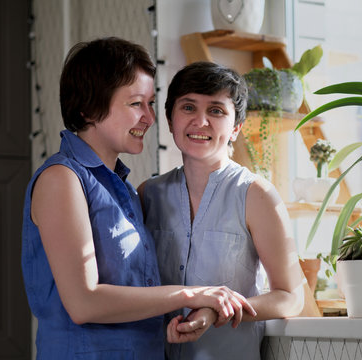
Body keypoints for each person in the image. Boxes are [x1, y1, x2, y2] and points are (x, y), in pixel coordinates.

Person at [21, 38, 256, 360]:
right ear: (89, 108)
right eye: (135, 104)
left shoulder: (128, 190)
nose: (149, 117)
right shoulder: (62, 179)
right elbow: (83, 303)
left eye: (150, 103)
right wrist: (192, 294)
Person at [139, 61, 305, 360]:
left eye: (216, 111)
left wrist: (215, 310)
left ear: (236, 128)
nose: (200, 122)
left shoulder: (258, 195)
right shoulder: (147, 194)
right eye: (188, 107)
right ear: (170, 118)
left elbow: (291, 297)